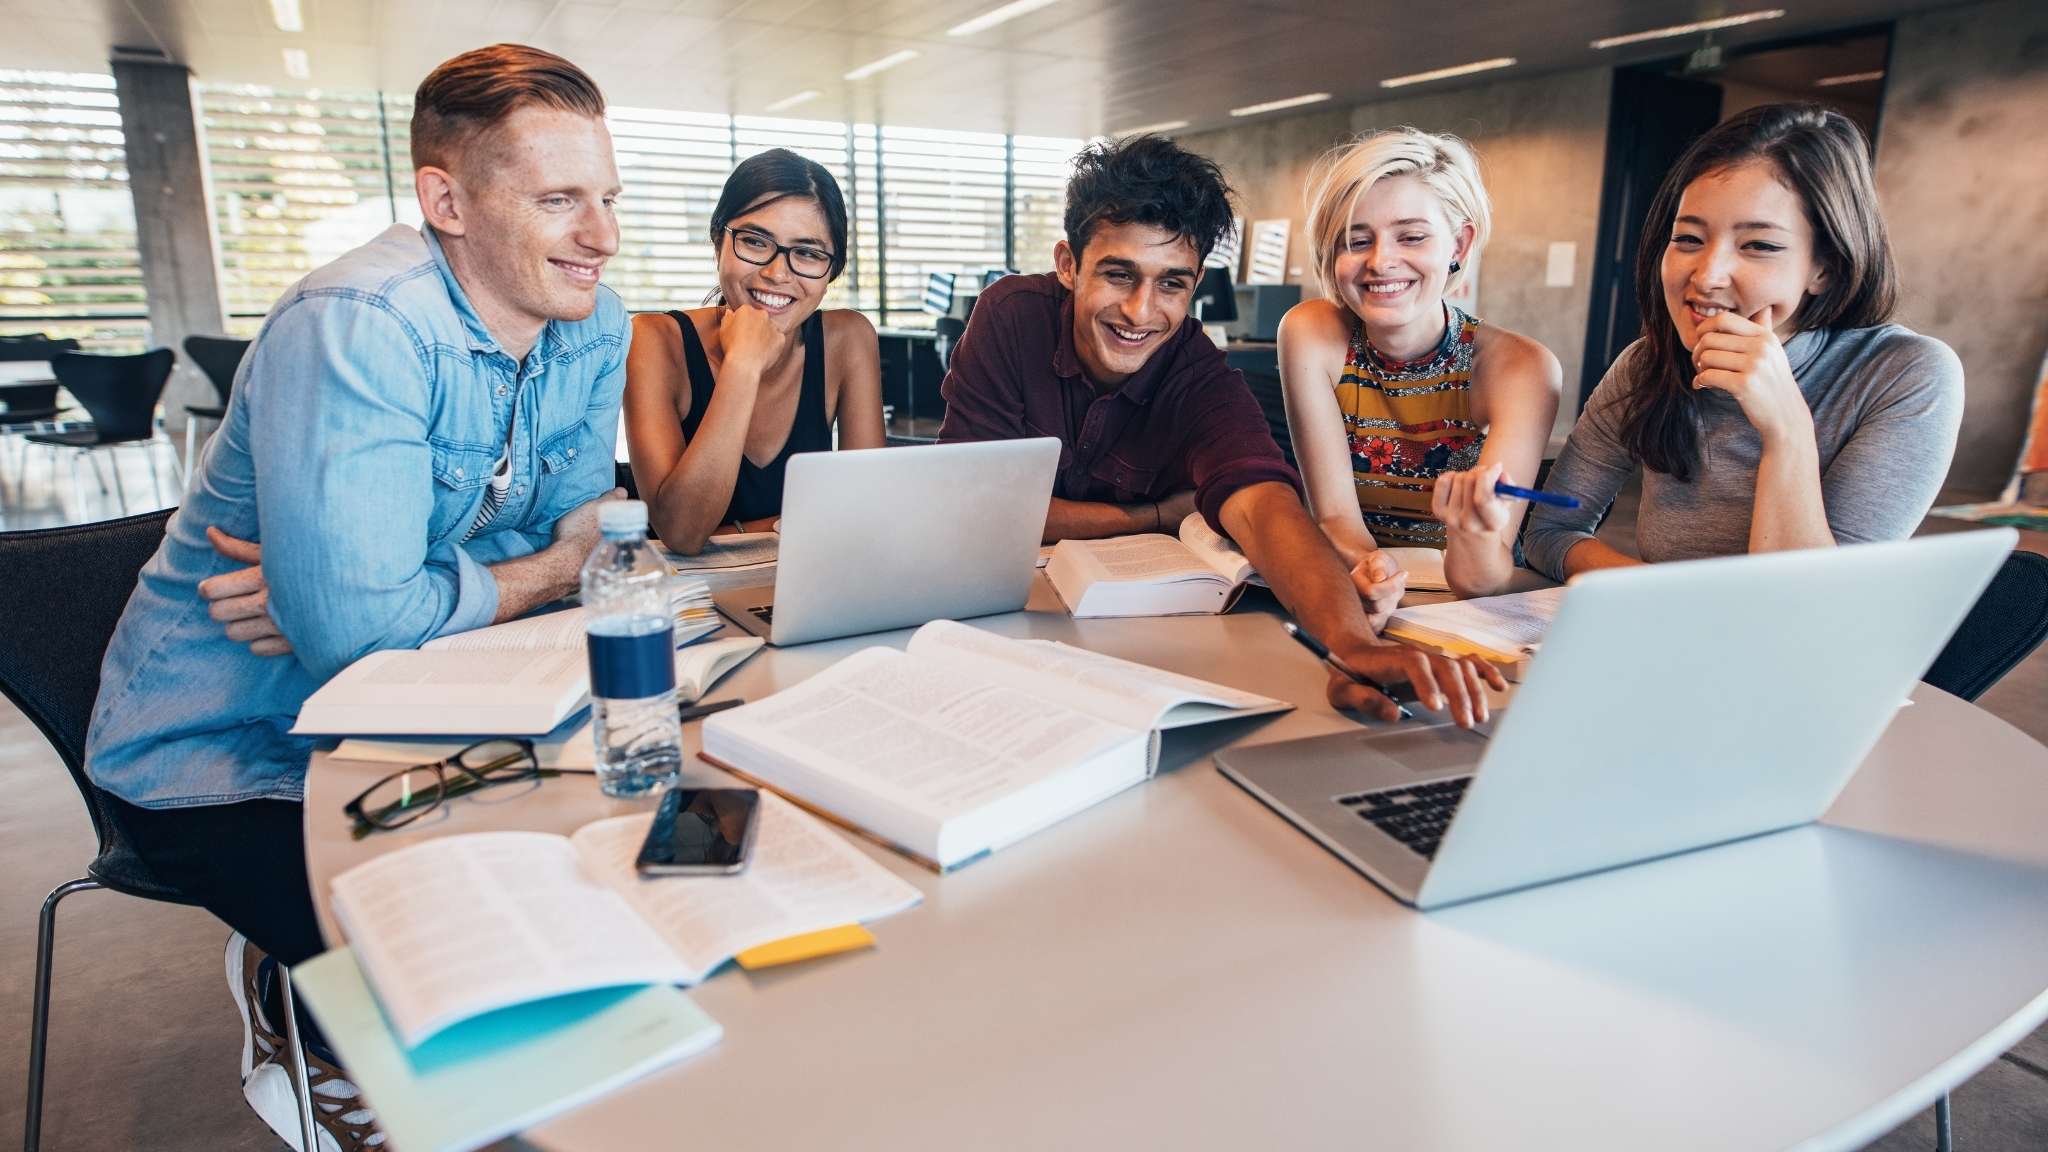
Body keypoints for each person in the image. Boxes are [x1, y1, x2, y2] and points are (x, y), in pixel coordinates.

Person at [83, 44, 628, 1149]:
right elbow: (518, 572)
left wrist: (386, 597)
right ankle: (318, 1023)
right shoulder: (361, 322)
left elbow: (575, 551)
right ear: (446, 201)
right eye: (559, 199)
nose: (600, 237)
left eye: (608, 198)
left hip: (417, 709)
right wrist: (504, 579)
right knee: (486, 970)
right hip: (221, 750)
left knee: (601, 878)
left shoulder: (593, 322)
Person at [937, 134, 1502, 727]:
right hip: (995, 624)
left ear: (1196, 282)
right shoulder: (1010, 316)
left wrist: (1352, 645)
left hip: (1127, 641)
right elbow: (977, 506)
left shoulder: (1196, 371)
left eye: (1171, 284)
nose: (1140, 311)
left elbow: (1263, 504)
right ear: (1069, 265)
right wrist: (1154, 514)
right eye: (1119, 275)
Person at [1523, 103, 1962, 580]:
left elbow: (1812, 604)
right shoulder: (1647, 363)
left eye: (1759, 246)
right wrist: (1657, 600)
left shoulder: (1906, 373)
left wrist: (1786, 428)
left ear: (1825, 266)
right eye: (1689, 239)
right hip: (1667, 642)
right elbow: (1550, 532)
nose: (1708, 275)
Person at [1279, 128, 1560, 600]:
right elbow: (1336, 521)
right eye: (1356, 240)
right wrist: (1374, 576)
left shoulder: (1521, 367)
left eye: (1411, 236)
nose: (1382, 261)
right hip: (1361, 587)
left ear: (1459, 245)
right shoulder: (1310, 333)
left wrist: (1473, 532)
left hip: (1472, 606)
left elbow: (1483, 579)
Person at [623, 149, 882, 553]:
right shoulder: (654, 340)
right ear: (718, 243)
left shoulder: (847, 339)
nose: (777, 273)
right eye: (755, 242)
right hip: (690, 599)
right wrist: (743, 364)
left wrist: (734, 533)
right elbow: (682, 532)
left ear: (832, 270)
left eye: (809, 253)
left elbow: (867, 513)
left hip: (810, 583)